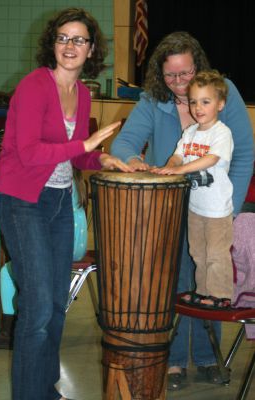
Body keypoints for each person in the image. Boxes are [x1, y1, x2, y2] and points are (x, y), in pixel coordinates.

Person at [0, 8, 131, 400]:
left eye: (79, 39)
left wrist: (100, 158)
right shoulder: (35, 86)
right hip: (23, 204)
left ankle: (45, 388)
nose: (70, 46)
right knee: (37, 309)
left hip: (59, 203)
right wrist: (86, 144)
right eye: (63, 38)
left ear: (92, 49)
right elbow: (29, 152)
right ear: (52, 44)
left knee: (56, 306)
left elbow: (72, 158)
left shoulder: (83, 93)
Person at [111, 31, 254, 390]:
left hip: (215, 210)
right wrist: (137, 162)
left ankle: (208, 359)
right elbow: (124, 143)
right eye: (171, 76)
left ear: (198, 68)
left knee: (209, 280)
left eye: (186, 74)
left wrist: (229, 208)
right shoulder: (151, 100)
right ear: (161, 75)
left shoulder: (224, 92)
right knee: (177, 283)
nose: (179, 84)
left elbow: (244, 154)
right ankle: (174, 363)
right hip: (173, 209)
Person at [153, 69, 234, 308]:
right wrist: (168, 168)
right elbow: (177, 157)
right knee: (198, 253)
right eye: (194, 102)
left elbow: (211, 159)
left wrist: (180, 171)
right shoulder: (189, 132)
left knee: (216, 254)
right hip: (195, 208)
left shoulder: (222, 133)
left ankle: (220, 295)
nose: (198, 107)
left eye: (206, 102)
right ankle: (203, 291)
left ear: (220, 104)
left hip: (218, 210)